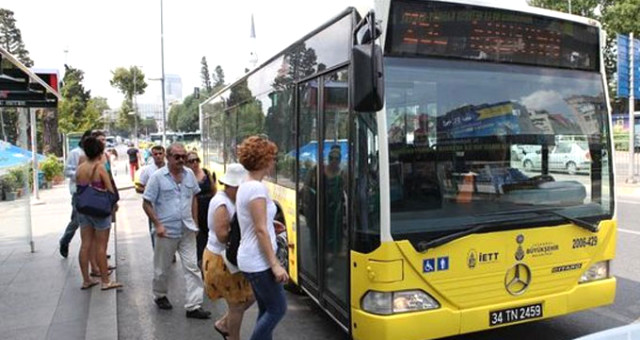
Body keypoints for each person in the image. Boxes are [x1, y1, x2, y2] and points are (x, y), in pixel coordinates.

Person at [142, 142, 211, 319]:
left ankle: (193, 306)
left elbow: (194, 198)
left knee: (192, 267)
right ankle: (160, 295)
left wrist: (195, 222)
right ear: (168, 158)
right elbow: (147, 203)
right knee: (161, 269)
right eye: (177, 157)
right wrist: (157, 224)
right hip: (166, 232)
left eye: (184, 157)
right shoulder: (157, 177)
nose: (182, 160)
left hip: (187, 230)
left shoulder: (189, 175)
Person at [236, 136, 288, 340]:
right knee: (278, 309)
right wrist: (275, 264)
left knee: (266, 309)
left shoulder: (246, 185)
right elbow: (259, 230)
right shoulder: (256, 189)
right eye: (272, 158)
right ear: (263, 160)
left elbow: (257, 223)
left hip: (251, 258)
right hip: (259, 261)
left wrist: (269, 224)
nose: (274, 162)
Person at [202, 163, 254, 340]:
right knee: (237, 305)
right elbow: (223, 235)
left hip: (229, 259)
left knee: (249, 297)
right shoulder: (222, 203)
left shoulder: (232, 200)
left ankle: (224, 324)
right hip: (222, 260)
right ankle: (233, 337)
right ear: (232, 186)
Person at [75, 136, 122, 291]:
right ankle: (105, 280)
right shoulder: (100, 167)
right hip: (100, 211)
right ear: (100, 151)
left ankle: (86, 280)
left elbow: (79, 189)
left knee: (85, 244)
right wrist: (113, 204)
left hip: (84, 210)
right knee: (101, 246)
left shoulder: (80, 168)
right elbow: (109, 190)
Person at [59, 130, 92, 258]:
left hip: (92, 192)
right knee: (77, 219)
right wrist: (81, 175)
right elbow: (67, 171)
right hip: (78, 191)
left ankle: (94, 252)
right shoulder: (75, 153)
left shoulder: (93, 153)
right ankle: (65, 240)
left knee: (92, 221)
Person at [185, 151, 217, 267]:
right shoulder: (186, 177)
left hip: (209, 208)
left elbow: (213, 190)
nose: (194, 163)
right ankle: (201, 263)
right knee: (200, 238)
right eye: (191, 161)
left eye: (196, 160)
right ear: (186, 163)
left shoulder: (207, 173)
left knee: (211, 235)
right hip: (196, 210)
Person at [138, 145, 167, 248]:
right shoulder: (148, 170)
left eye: (160, 154)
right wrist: (149, 191)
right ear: (152, 156)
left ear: (164, 154)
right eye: (155, 154)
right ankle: (157, 251)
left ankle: (170, 252)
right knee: (155, 230)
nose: (158, 156)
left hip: (168, 207)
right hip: (153, 208)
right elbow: (139, 187)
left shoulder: (170, 168)